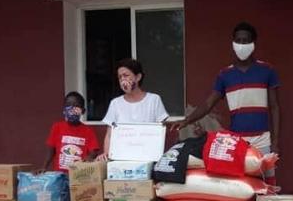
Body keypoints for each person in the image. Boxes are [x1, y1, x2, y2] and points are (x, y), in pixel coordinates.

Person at [172, 21, 280, 183]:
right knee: (241, 183)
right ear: (233, 43)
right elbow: (208, 104)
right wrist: (187, 120)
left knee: (267, 181)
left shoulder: (267, 70)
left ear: (253, 43)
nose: (241, 44)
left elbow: (275, 107)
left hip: (262, 139)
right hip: (237, 140)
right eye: (238, 40)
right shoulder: (225, 75)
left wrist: (275, 142)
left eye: (246, 41)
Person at [101, 58, 169, 158]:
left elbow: (161, 131)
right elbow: (109, 135)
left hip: (148, 156)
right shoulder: (115, 103)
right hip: (121, 157)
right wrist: (107, 154)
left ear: (138, 77)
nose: (122, 80)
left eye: (126, 75)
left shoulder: (154, 100)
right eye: (120, 77)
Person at [43, 91, 101, 171]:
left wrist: (85, 160)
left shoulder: (88, 131)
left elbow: (93, 152)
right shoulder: (57, 127)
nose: (72, 109)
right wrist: (44, 167)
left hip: (78, 174)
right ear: (64, 109)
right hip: (60, 174)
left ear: (83, 111)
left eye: (76, 106)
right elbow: (51, 151)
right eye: (68, 105)